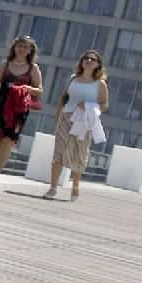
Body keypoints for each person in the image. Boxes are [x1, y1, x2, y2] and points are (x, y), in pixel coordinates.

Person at [45, 50, 109, 201]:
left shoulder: (100, 84)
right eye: (86, 58)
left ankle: (75, 186)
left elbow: (104, 104)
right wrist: (58, 115)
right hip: (66, 118)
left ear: (98, 64)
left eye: (92, 59)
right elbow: (63, 98)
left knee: (79, 153)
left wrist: (88, 105)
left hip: (84, 122)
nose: (88, 60)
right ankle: (53, 187)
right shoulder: (73, 79)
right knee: (59, 152)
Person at [0, 35, 43, 176]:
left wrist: (25, 88)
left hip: (18, 109)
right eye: (19, 45)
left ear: (30, 50)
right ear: (14, 47)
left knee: (8, 141)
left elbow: (39, 91)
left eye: (25, 47)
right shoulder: (5, 65)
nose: (21, 49)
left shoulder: (33, 68)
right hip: (0, 105)